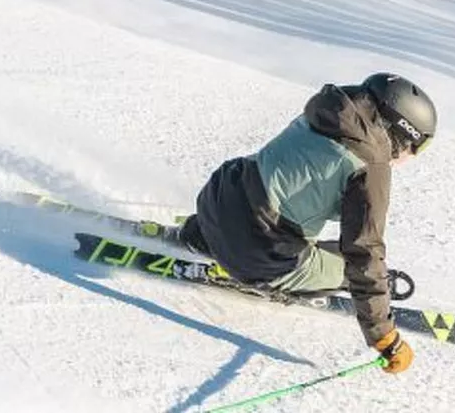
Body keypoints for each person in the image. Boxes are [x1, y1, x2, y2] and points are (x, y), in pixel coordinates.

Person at [177, 74, 437, 375]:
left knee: (272, 207)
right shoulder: (372, 164)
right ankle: (274, 274)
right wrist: (385, 338)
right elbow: (364, 250)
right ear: (402, 133)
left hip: (216, 200)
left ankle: (202, 235)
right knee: (348, 267)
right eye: (417, 147)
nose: (412, 157)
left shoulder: (327, 110)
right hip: (259, 253)